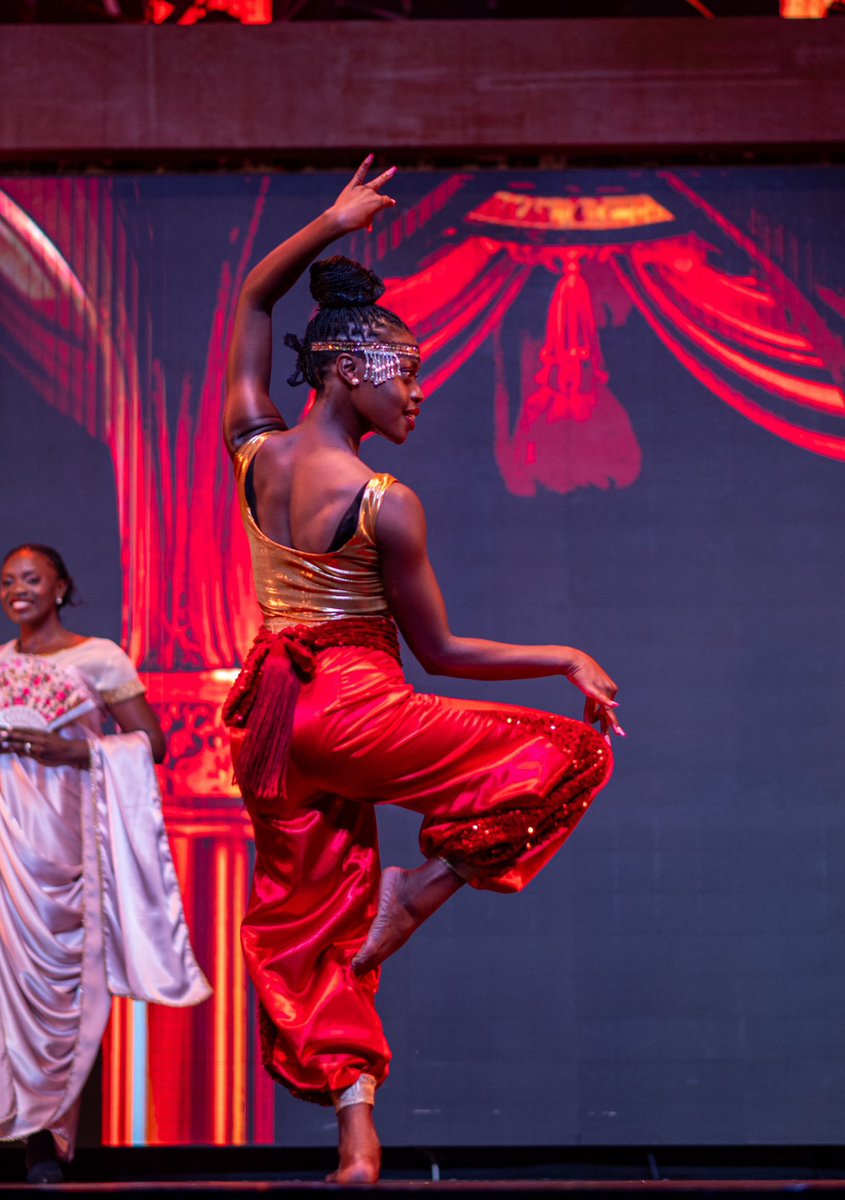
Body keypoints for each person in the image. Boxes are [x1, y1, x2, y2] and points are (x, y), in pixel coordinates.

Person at [223, 157, 624, 1185]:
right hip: (354, 712)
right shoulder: (382, 500)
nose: (418, 390)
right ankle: (421, 889)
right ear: (348, 372)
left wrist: (327, 221)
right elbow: (441, 652)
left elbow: (256, 295)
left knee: (318, 929)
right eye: (406, 372)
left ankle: (357, 1135)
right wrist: (563, 654)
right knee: (569, 755)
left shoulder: (252, 451)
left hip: (271, 731)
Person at [0, 544, 211, 1183]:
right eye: (7, 581)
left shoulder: (99, 657)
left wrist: (71, 750)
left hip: (63, 849)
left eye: (31, 579)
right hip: (4, 847)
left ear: (60, 587)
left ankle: (47, 1144)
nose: (18, 590)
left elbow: (154, 742)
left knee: (58, 995)